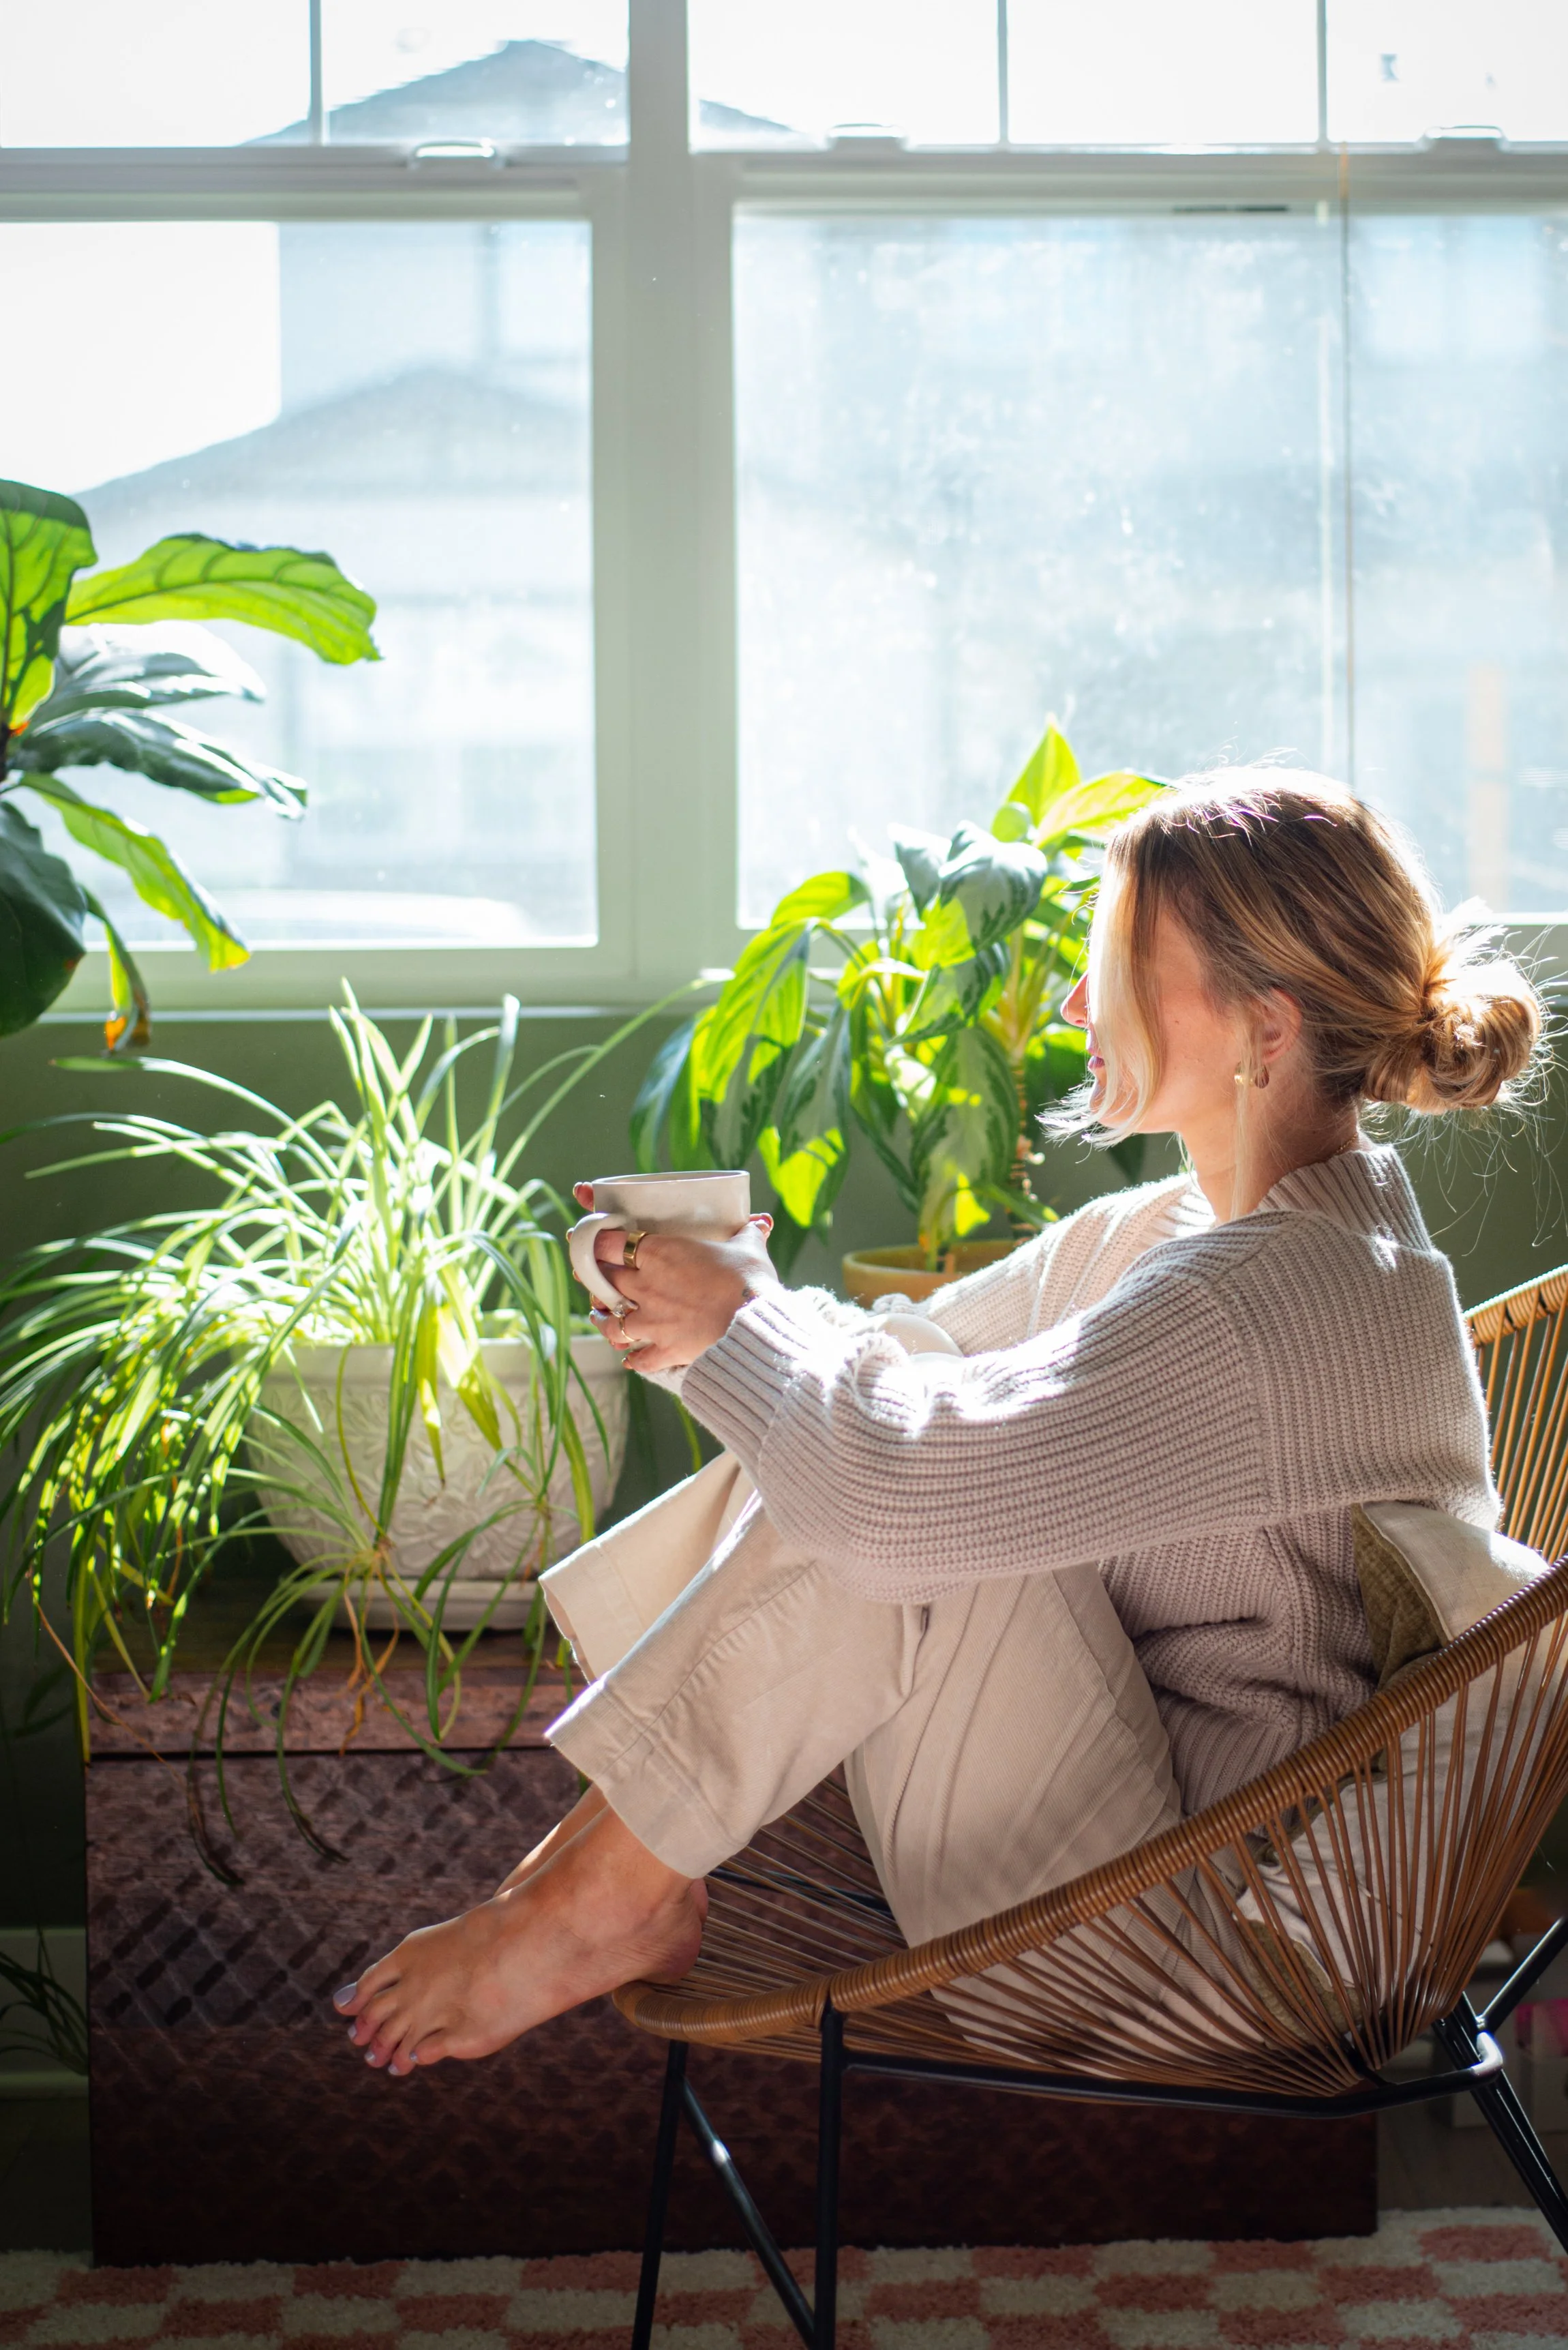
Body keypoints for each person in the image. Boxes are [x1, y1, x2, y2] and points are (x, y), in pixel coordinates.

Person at [333, 771, 1543, 2077]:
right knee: (894, 1408)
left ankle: (601, 1891)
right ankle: (599, 1876)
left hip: (1201, 1950)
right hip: (1134, 1850)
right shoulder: (1192, 1238)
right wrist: (711, 1304)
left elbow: (897, 1488)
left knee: (906, 1497)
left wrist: (747, 1325)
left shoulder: (1271, 1301)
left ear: (1263, 1026)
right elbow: (902, 1367)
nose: (1079, 1004)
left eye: (1118, 965)